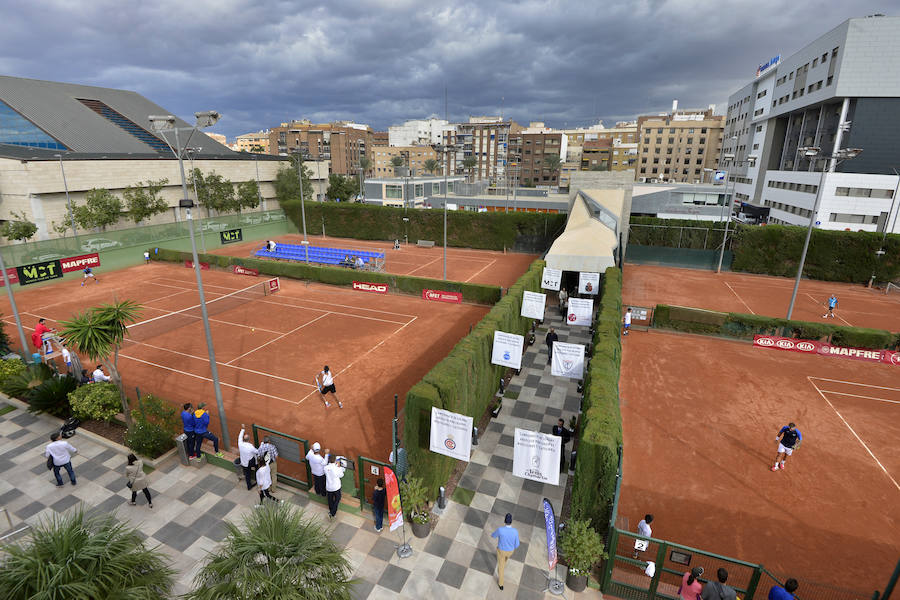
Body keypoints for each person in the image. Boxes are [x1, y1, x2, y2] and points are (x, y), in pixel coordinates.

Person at [491, 513, 520, 591]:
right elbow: (517, 544)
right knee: (505, 560)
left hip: (501, 551)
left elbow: (493, 535)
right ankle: (503, 562)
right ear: (511, 521)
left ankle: (501, 584)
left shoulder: (500, 530)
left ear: (505, 521)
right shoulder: (515, 531)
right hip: (510, 551)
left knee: (501, 568)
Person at [324, 454, 346, 518]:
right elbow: (341, 475)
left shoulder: (325, 468)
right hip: (336, 487)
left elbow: (328, 471)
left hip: (329, 487)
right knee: (337, 499)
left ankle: (331, 511)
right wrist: (339, 467)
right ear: (335, 461)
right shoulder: (337, 468)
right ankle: (332, 513)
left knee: (330, 499)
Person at [237, 424, 258, 490]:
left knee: (247, 475)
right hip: (250, 463)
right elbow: (257, 452)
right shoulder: (250, 446)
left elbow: (240, 437)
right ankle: (257, 471)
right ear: (249, 439)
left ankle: (249, 486)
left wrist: (243, 429)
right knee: (256, 463)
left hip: (243, 463)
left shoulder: (240, 444)